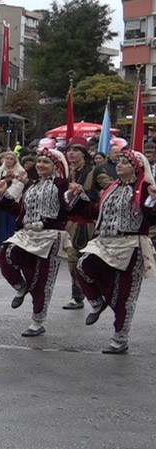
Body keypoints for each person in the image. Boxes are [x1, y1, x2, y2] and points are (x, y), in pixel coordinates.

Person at [69, 149, 156, 354]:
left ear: (135, 167)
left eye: (125, 162)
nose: (119, 165)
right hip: (105, 241)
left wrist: (153, 201)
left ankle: (120, 338)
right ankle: (97, 302)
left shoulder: (144, 188)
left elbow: (151, 217)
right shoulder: (112, 188)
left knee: (124, 296)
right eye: (118, 162)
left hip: (131, 245)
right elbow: (96, 212)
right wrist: (80, 196)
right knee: (83, 265)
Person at [0, 147, 71, 338]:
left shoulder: (62, 185)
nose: (41, 165)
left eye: (46, 162)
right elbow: (21, 212)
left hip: (50, 236)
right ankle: (20, 286)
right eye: (39, 161)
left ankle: (37, 321)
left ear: (56, 166)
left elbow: (68, 208)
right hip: (27, 234)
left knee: (42, 280)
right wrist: (5, 196)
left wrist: (74, 194)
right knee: (5, 256)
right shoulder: (33, 186)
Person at [61, 135, 112, 310]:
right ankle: (79, 296)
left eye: (75, 150)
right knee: (73, 261)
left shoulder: (95, 171)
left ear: (84, 153)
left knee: (83, 261)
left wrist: (87, 194)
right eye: (69, 150)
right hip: (69, 224)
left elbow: (111, 187)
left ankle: (92, 294)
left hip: (87, 223)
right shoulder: (66, 172)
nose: (71, 154)